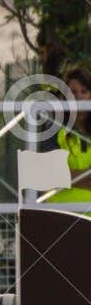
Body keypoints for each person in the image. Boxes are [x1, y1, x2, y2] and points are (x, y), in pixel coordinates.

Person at [53, 66, 91, 205]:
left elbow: (62, 175)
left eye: (84, 92)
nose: (79, 98)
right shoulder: (54, 130)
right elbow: (50, 174)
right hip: (61, 213)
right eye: (73, 92)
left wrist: (70, 177)